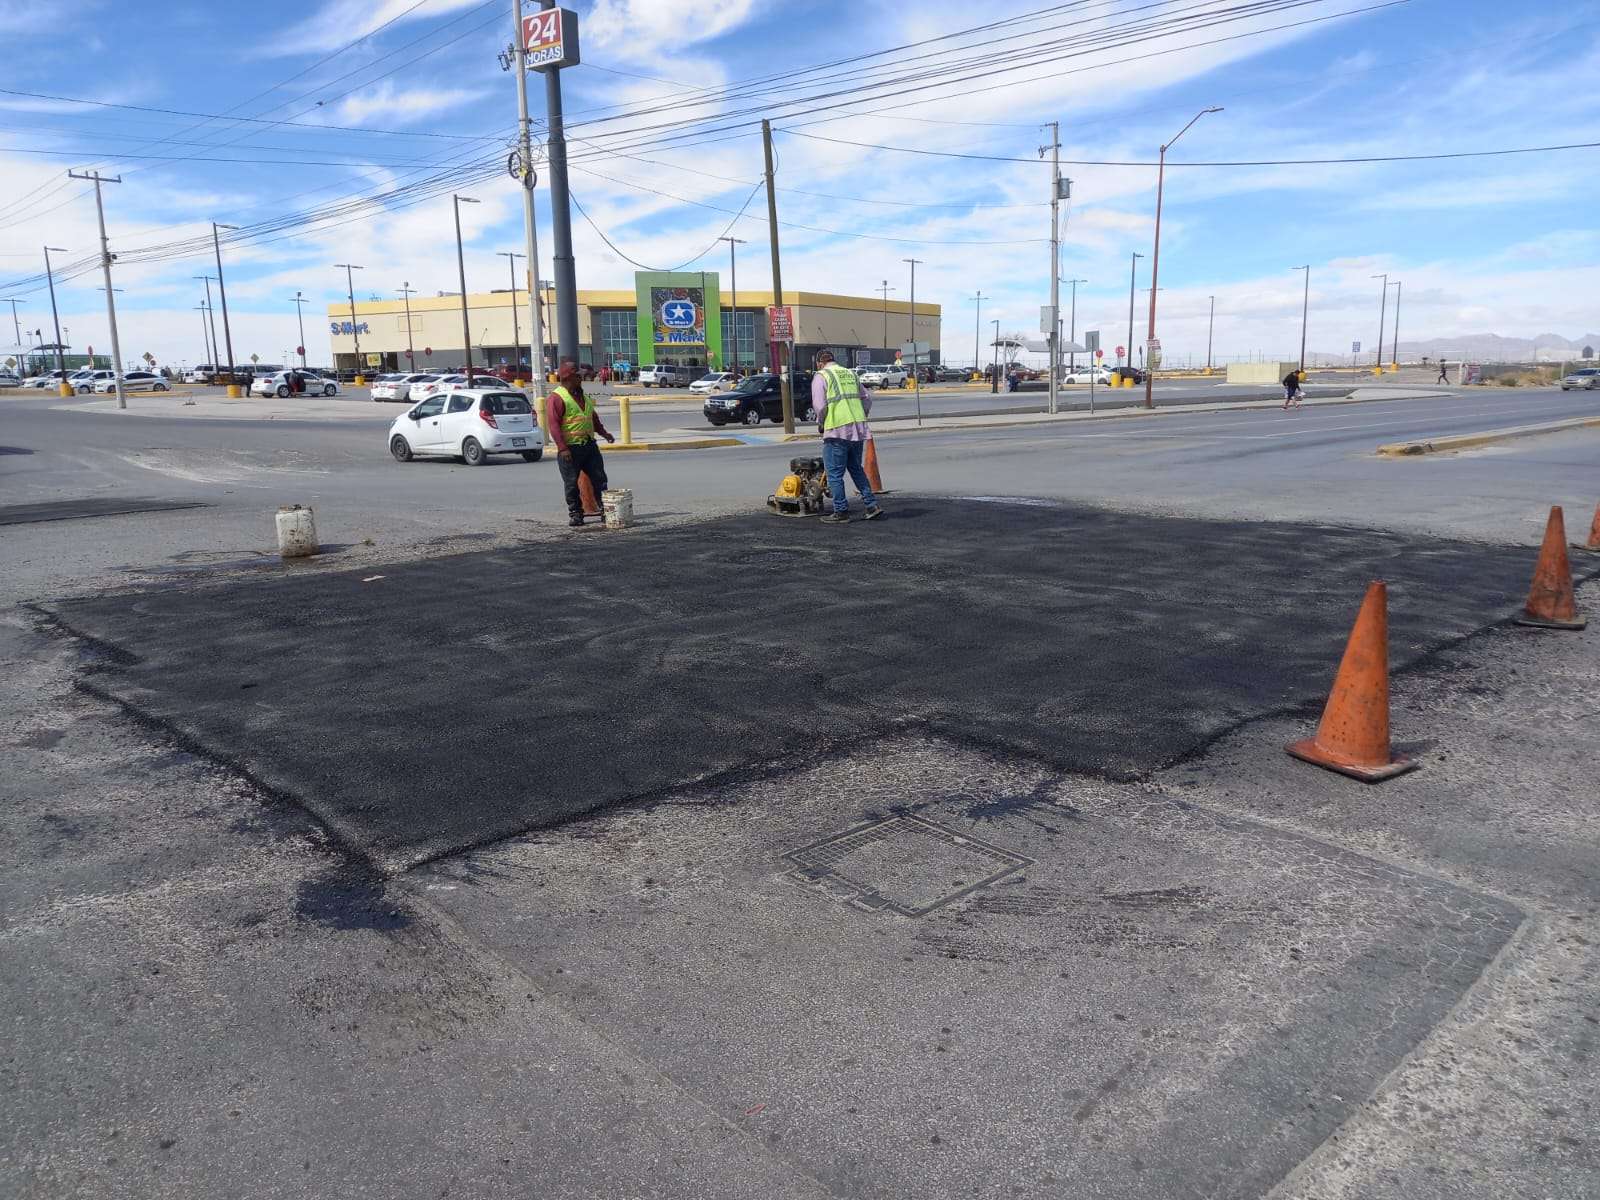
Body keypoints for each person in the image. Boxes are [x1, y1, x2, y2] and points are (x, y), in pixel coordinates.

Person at [811, 349, 880, 524]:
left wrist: (821, 423)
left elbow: (820, 406)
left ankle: (841, 511)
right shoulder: (850, 374)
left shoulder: (821, 376)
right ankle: (871, 505)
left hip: (836, 429)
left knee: (834, 474)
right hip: (857, 430)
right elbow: (867, 400)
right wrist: (860, 416)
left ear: (820, 363)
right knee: (856, 469)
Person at [545, 361, 615, 527]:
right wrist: (563, 448)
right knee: (571, 484)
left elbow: (592, 417)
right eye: (578, 375)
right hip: (571, 449)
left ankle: (606, 510)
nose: (581, 378)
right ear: (569, 377)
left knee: (600, 479)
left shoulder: (582, 395)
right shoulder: (557, 398)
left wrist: (604, 434)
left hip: (589, 446)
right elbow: (554, 426)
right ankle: (576, 514)